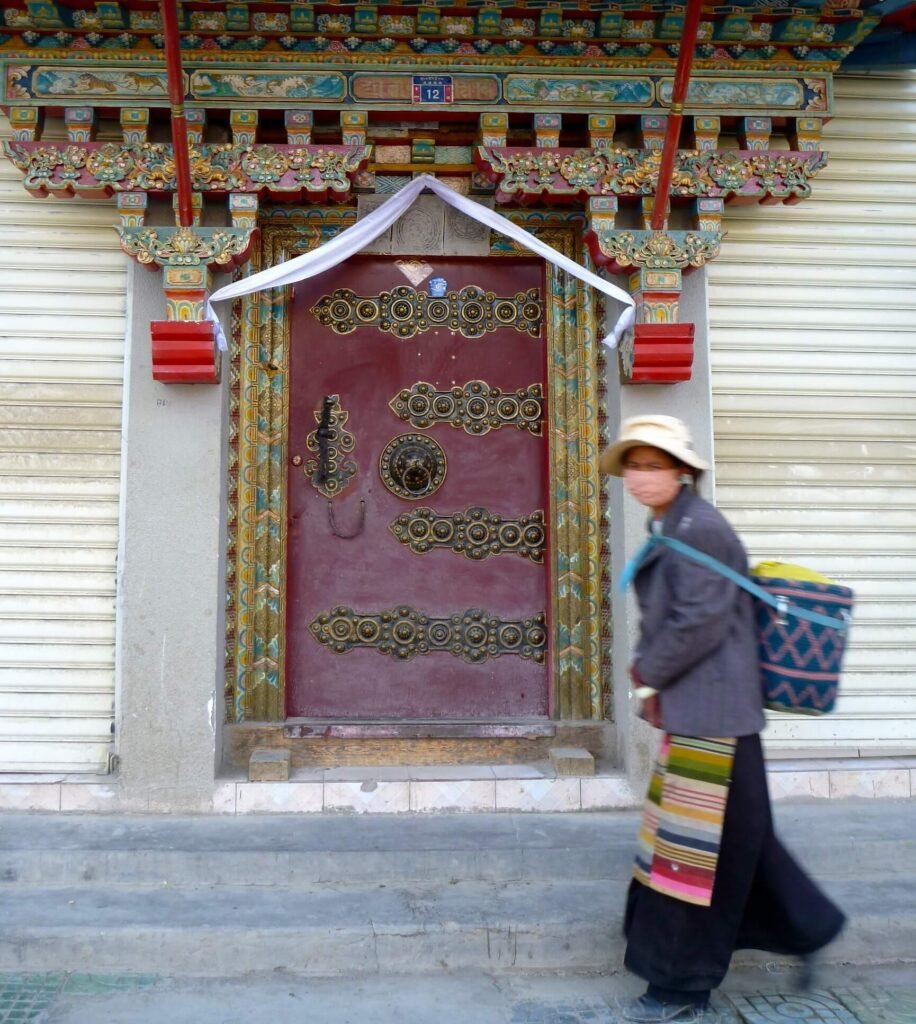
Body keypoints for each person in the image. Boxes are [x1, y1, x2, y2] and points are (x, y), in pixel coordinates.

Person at [600, 415, 845, 1024]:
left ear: (683, 471)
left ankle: (681, 991)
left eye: (653, 465)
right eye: (633, 464)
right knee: (738, 841)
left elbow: (699, 623)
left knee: (694, 854)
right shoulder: (673, 524)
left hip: (715, 715)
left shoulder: (700, 528)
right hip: (704, 709)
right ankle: (808, 928)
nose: (640, 476)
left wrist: (646, 672)